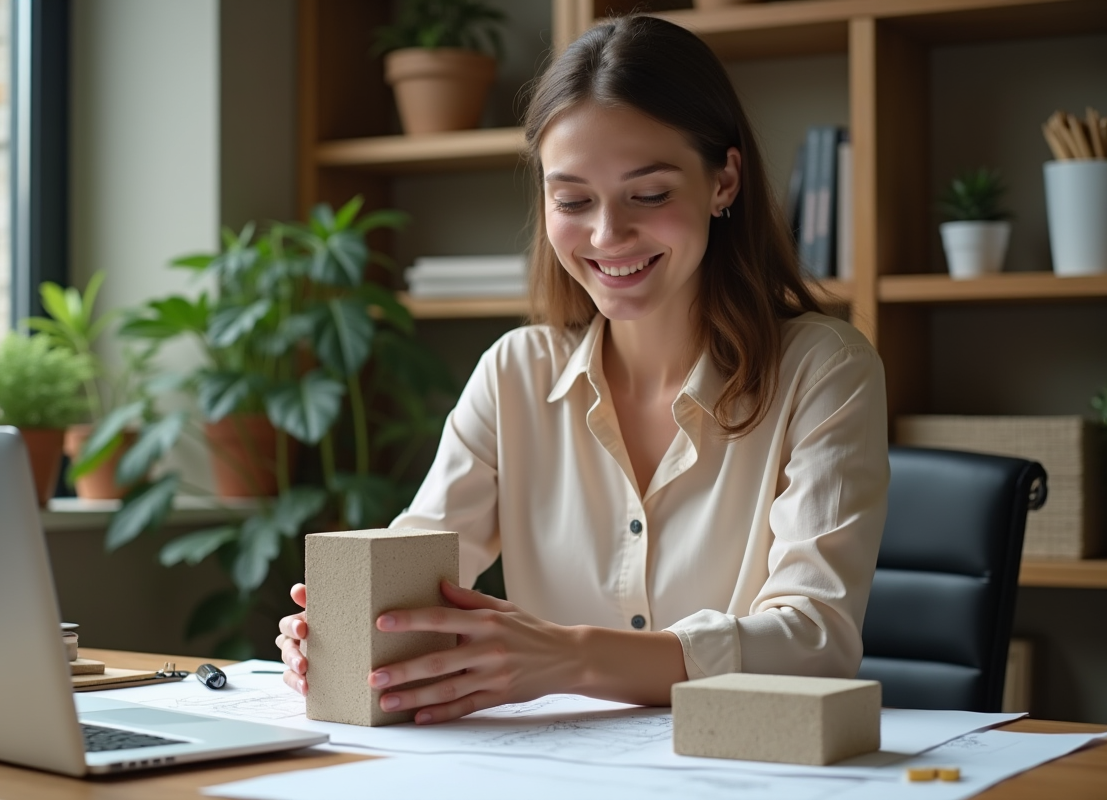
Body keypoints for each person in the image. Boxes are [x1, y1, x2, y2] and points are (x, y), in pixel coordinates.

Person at [276, 14, 888, 725]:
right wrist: (346, 630)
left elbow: (816, 641)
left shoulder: (825, 371)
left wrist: (571, 657)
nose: (606, 235)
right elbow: (416, 572)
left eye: (649, 195)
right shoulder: (514, 373)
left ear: (725, 180)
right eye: (572, 200)